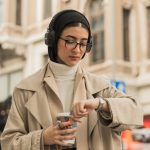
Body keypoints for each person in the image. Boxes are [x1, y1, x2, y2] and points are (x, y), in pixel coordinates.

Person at [1, 9, 143, 150]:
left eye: (83, 43)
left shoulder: (101, 87)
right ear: (52, 39)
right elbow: (8, 143)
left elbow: (136, 113)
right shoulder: (25, 89)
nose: (77, 50)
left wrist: (101, 104)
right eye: (70, 41)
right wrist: (43, 137)